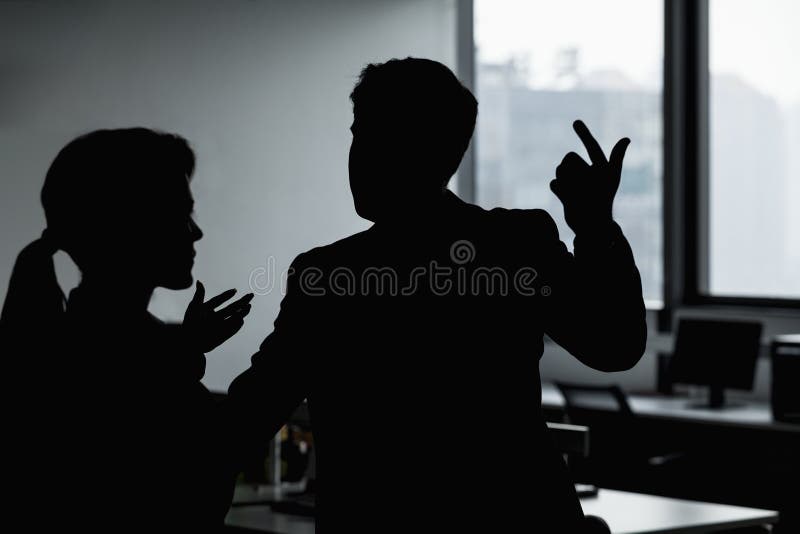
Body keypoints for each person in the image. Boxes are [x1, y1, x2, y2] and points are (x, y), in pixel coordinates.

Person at [228, 57, 646, 532]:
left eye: (365, 134)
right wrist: (595, 229)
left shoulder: (326, 276)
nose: (355, 154)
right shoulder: (515, 244)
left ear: (412, 149)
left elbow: (249, 416)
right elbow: (616, 346)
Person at [0, 128, 252, 532]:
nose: (196, 232)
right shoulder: (102, 361)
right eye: (180, 214)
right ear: (127, 225)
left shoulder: (65, 344)